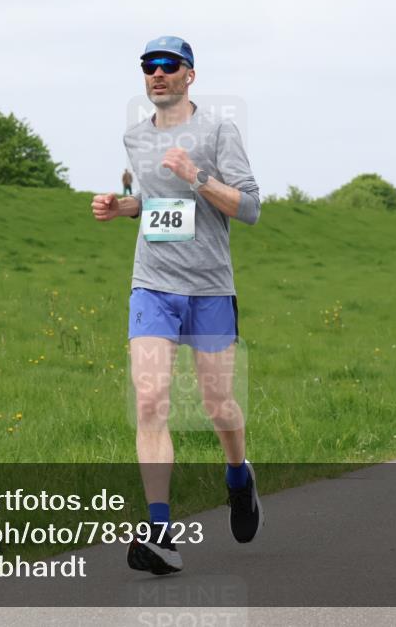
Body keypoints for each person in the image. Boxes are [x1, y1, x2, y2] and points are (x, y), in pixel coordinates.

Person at [91, 35, 262, 575]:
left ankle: (239, 476)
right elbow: (156, 201)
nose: (156, 74)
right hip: (153, 285)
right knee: (149, 400)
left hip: (210, 288)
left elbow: (250, 206)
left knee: (218, 406)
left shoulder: (218, 130)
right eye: (148, 66)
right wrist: (124, 208)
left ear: (190, 75)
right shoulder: (134, 137)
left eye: (167, 65)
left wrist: (198, 176)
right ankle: (160, 532)